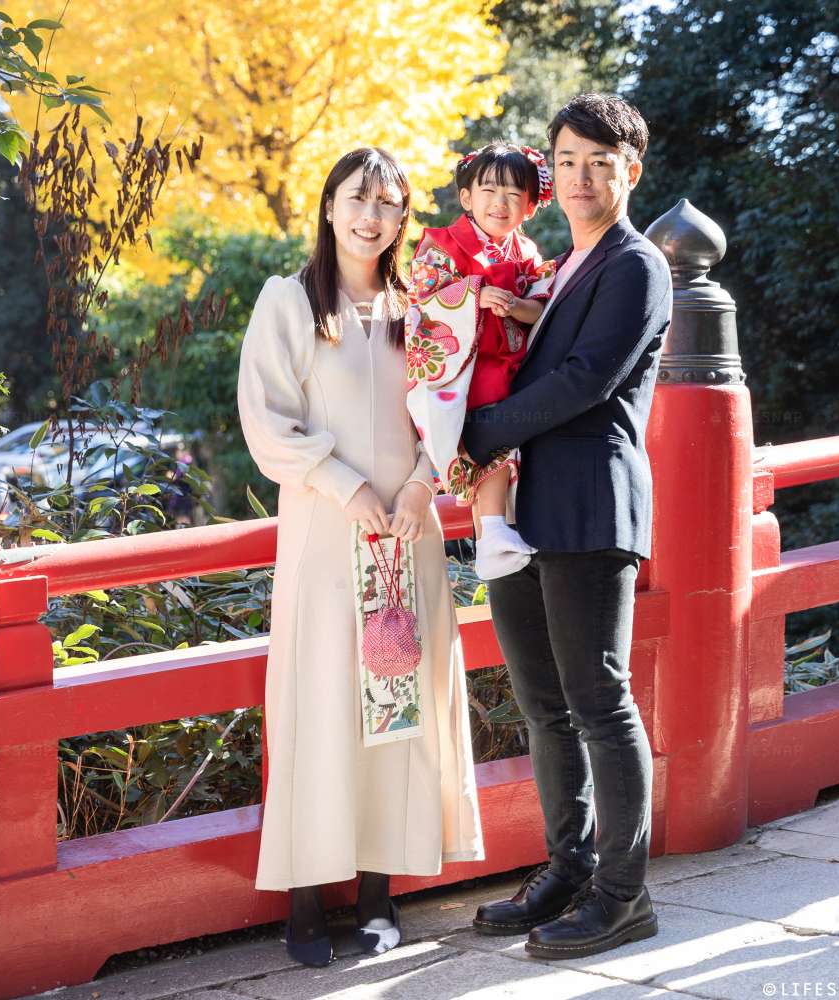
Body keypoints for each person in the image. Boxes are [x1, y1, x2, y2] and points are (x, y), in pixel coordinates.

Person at [237, 147, 484, 968]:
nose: (370, 216)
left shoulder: (424, 308)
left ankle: (377, 895)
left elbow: (445, 419)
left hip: (405, 542)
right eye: (356, 198)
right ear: (330, 205)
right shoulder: (290, 302)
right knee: (320, 711)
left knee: (394, 713)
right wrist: (345, 486)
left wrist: (420, 488)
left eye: (386, 203)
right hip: (324, 536)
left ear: (402, 217)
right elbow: (269, 421)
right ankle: (306, 900)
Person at [462, 93, 673, 959]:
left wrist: (476, 435)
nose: (584, 177)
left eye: (601, 162)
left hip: (590, 503)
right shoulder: (559, 268)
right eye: (570, 162)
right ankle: (570, 867)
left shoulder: (635, 265)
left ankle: (624, 895)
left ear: (631, 170)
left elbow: (586, 379)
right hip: (524, 508)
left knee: (599, 701)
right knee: (545, 707)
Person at [405, 141, 556, 581]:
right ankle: (490, 531)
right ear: (467, 197)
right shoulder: (441, 244)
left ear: (530, 206)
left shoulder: (525, 253)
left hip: (513, 362)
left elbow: (540, 306)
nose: (500, 203)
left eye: (514, 195)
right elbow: (423, 302)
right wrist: (473, 294)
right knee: (496, 425)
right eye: (489, 191)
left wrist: (514, 306)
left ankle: (499, 532)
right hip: (468, 368)